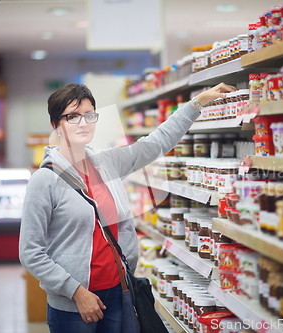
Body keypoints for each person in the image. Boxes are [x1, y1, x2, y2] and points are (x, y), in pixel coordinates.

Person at [19, 82, 236, 333]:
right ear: (55, 125)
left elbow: (156, 143)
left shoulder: (107, 163)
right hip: (73, 305)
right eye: (72, 117)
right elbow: (30, 253)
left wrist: (196, 104)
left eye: (89, 115)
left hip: (119, 292)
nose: (83, 123)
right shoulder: (44, 181)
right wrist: (76, 292)